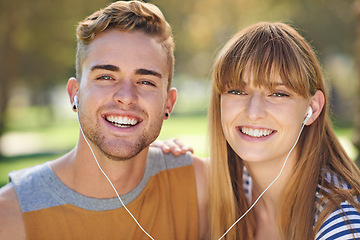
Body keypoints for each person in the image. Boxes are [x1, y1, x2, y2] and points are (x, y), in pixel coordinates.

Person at [0, 1, 207, 239]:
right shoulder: (10, 215)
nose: (126, 97)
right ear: (74, 93)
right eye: (106, 76)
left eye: (146, 81)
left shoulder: (202, 186)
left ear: (168, 104)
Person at [207, 22, 360, 239]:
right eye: (237, 91)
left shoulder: (343, 226)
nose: (253, 112)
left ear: (312, 108)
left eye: (278, 94)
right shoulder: (239, 182)